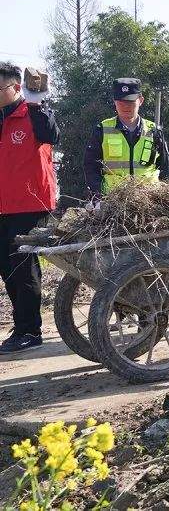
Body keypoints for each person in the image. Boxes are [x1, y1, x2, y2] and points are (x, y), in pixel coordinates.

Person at [0, 62, 59, 354]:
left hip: (30, 204)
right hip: (3, 205)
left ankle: (30, 331)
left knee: (23, 268)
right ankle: (21, 325)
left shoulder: (34, 113)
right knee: (6, 267)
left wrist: (38, 102)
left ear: (15, 87)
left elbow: (52, 135)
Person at [83, 78, 169, 198]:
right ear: (114, 101)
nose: (125, 106)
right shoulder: (102, 129)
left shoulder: (154, 131)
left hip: (149, 200)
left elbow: (165, 167)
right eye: (121, 102)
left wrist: (167, 198)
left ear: (140, 100)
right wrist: (98, 194)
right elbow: (91, 166)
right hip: (113, 200)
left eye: (130, 102)